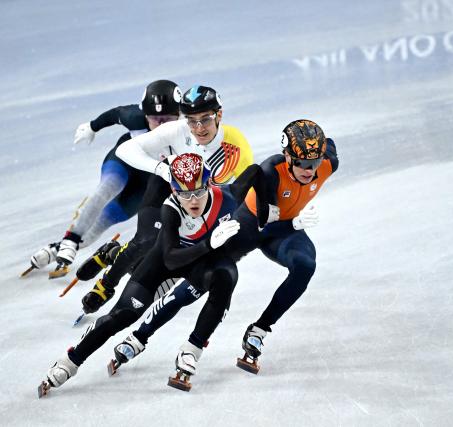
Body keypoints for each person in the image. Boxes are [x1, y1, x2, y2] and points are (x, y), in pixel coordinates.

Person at [112, 119, 339, 375]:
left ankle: (260, 329)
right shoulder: (271, 169)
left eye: (315, 162)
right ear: (287, 156)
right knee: (198, 285)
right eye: (302, 163)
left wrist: (294, 218)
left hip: (282, 231)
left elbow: (328, 146)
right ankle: (140, 336)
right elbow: (266, 214)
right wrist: (296, 219)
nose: (310, 170)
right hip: (249, 225)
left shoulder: (328, 162)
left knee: (305, 266)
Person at [38, 153, 270, 397]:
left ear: (210, 184)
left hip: (202, 264)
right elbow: (170, 258)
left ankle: (192, 348)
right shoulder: (171, 209)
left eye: (199, 192)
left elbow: (256, 171)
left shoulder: (229, 197)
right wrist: (209, 244)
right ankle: (70, 361)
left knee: (226, 275)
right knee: (123, 315)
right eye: (184, 194)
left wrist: (264, 212)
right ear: (173, 190)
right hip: (165, 262)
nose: (192, 200)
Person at [80, 85, 254, 315]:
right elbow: (125, 150)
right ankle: (106, 286)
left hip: (199, 199)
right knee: (146, 239)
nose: (198, 128)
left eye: (205, 119)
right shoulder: (176, 130)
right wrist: (162, 169)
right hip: (165, 186)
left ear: (219, 115)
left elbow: (243, 192)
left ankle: (112, 253)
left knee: (158, 266)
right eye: (191, 120)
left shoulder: (236, 144)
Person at [26, 80, 182, 277]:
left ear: (180, 115)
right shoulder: (134, 117)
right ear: (145, 115)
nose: (160, 125)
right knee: (107, 189)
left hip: (145, 185)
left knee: (101, 224)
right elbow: (114, 114)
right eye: (154, 119)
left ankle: (57, 248)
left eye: (167, 119)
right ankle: (70, 239)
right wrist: (91, 127)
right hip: (123, 162)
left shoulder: (187, 132)